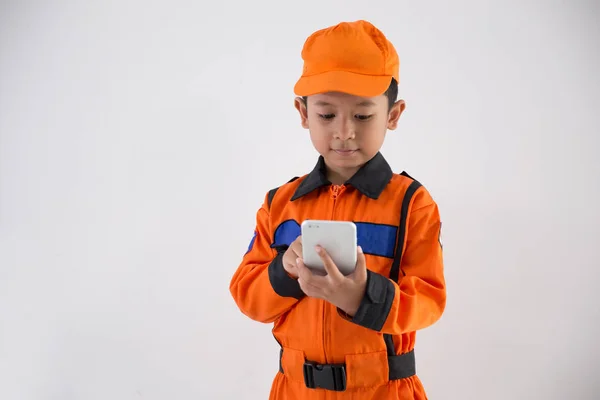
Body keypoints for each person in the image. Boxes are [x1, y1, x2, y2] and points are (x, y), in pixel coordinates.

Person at [229, 19, 446, 400]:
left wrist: (360, 296)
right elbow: (248, 296)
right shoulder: (279, 203)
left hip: (383, 391)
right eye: (327, 114)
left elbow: (428, 301)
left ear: (393, 115)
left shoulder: (412, 204)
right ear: (302, 112)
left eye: (363, 116)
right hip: (294, 391)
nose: (344, 131)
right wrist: (284, 272)